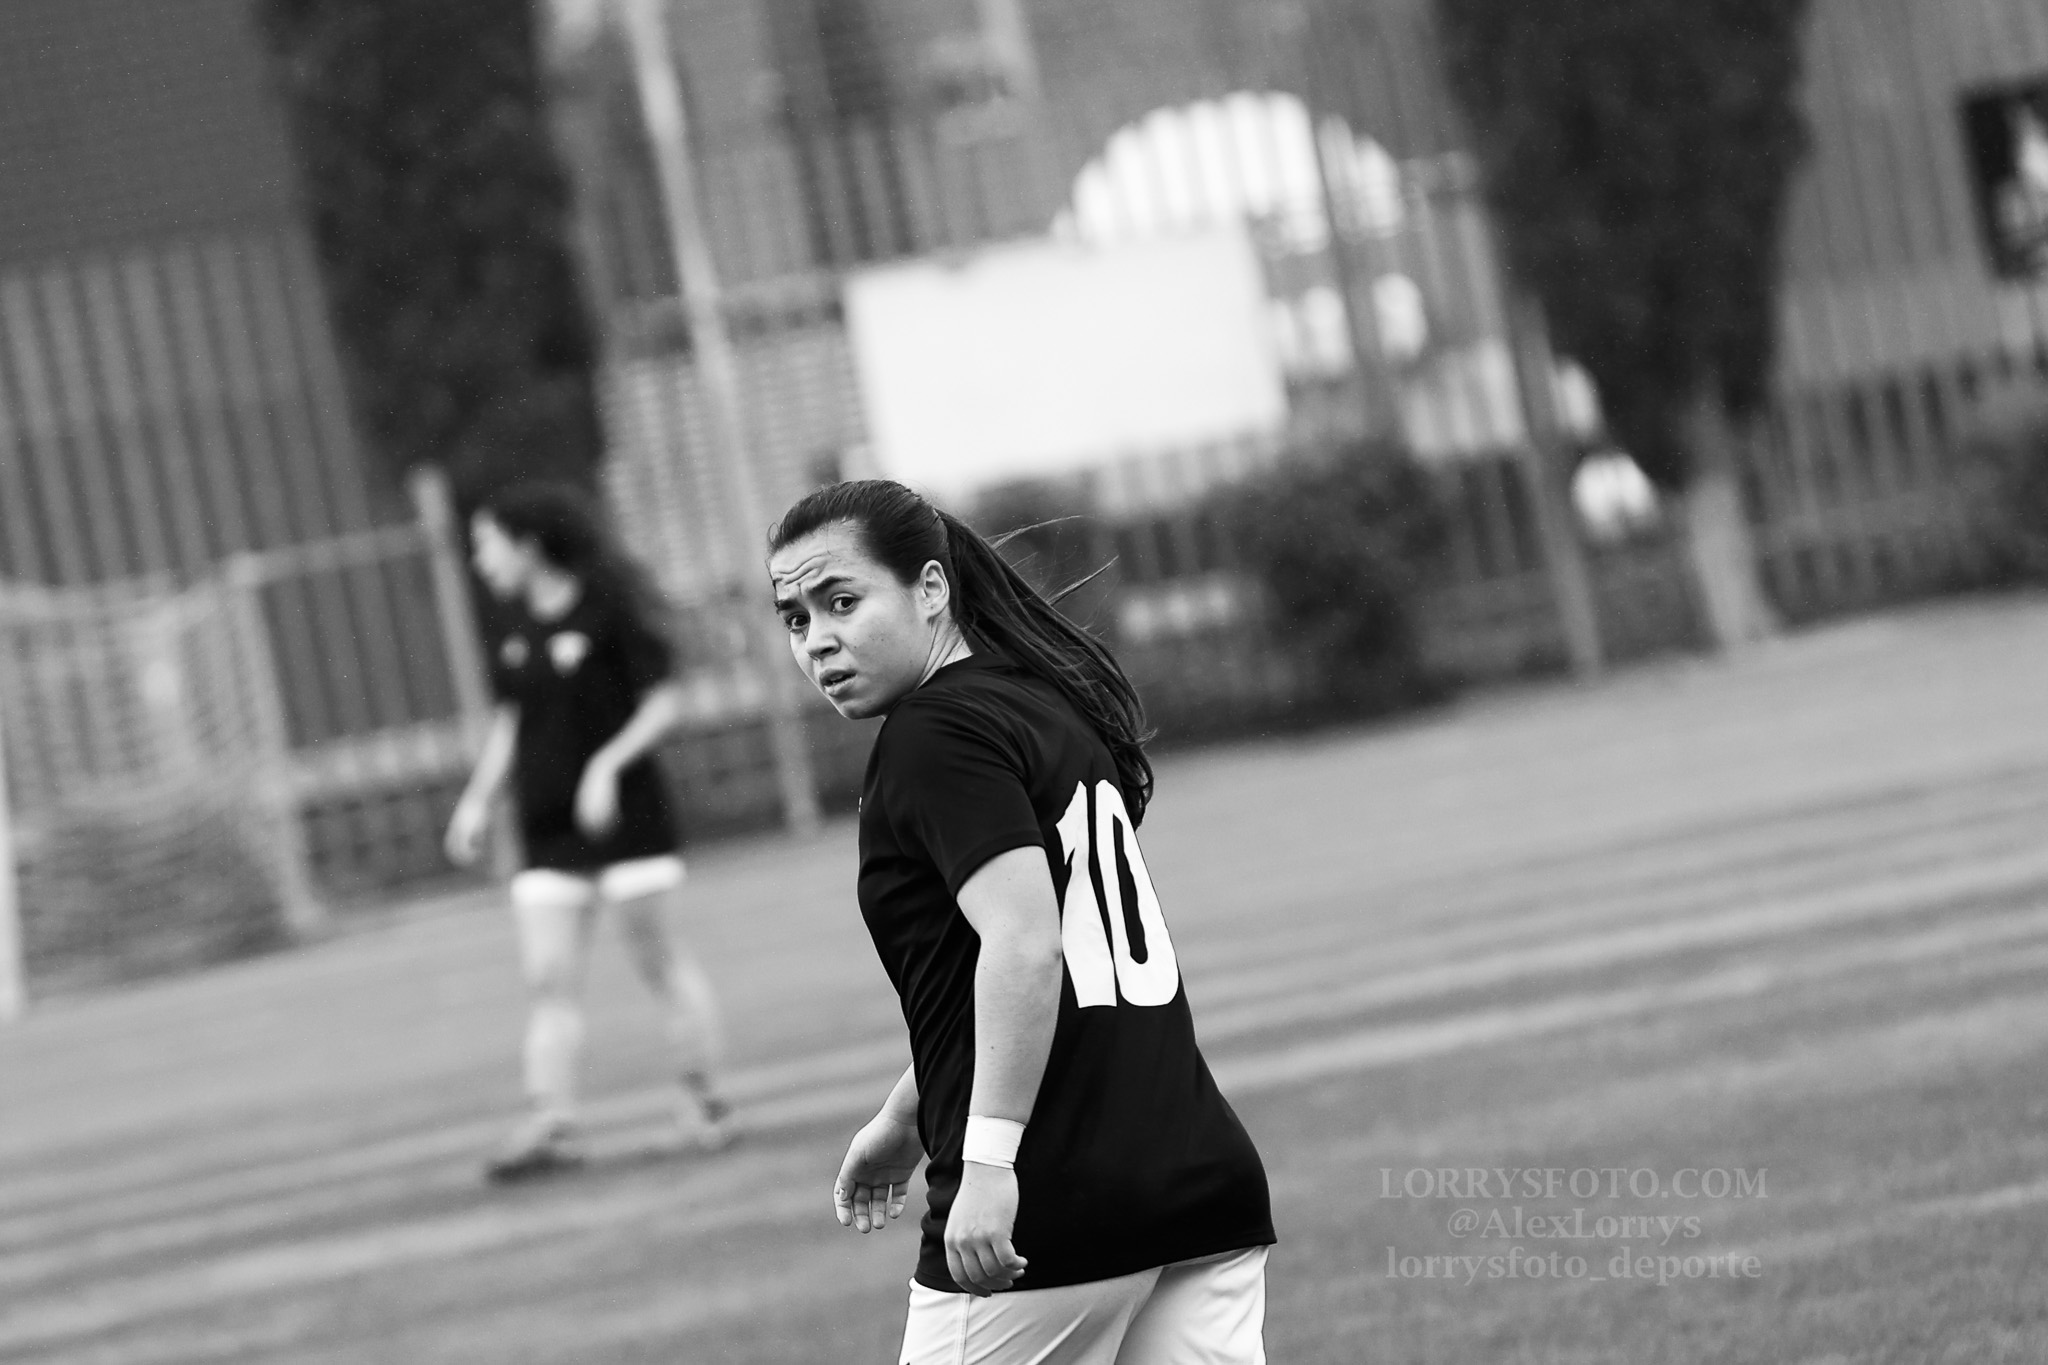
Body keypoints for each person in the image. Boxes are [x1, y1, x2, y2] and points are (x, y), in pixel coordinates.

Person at [767, 480, 1274, 1364]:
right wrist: (904, 1115)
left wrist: (991, 1160)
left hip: (1055, 1203)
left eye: (842, 601)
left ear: (931, 588)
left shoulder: (932, 734)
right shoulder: (1037, 703)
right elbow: (1020, 961)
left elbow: (1026, 943)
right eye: (796, 618)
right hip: (1197, 1179)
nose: (818, 639)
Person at [446, 480, 730, 1181]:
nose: (480, 561)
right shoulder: (512, 628)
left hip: (629, 819)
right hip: (548, 831)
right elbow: (512, 725)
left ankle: (706, 1106)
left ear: (529, 545)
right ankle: (553, 1126)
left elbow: (663, 703)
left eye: (487, 544)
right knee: (547, 979)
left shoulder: (610, 610)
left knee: (659, 964)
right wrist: (478, 801)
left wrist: (607, 764)